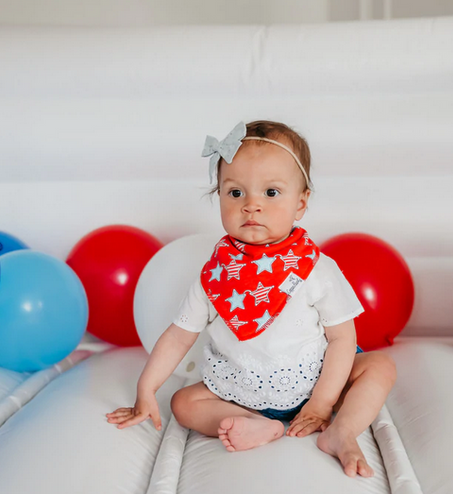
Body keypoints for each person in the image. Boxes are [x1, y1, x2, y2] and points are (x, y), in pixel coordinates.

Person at [106, 121, 397, 478]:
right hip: (241, 391)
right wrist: (146, 388)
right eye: (235, 192)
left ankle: (342, 431)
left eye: (271, 192)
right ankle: (255, 424)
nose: (251, 206)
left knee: (379, 366)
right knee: (183, 403)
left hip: (318, 382)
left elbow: (342, 339)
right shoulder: (215, 276)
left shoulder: (315, 268)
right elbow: (179, 336)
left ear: (301, 203)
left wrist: (322, 402)